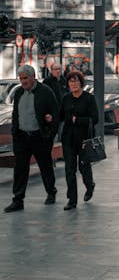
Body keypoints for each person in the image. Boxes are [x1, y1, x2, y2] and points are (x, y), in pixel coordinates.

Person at [4, 65, 59, 212]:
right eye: (21, 79)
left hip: (39, 137)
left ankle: (51, 192)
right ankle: (18, 199)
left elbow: (55, 115)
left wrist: (49, 136)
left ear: (33, 76)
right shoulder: (19, 93)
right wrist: (15, 134)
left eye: (25, 78)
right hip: (22, 137)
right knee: (20, 169)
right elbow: (16, 115)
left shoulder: (45, 92)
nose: (23, 82)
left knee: (45, 167)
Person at [60, 70, 99, 210]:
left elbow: (95, 118)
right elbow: (61, 116)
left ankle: (90, 185)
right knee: (69, 169)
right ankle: (72, 200)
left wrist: (79, 120)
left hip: (84, 140)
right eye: (71, 81)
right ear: (68, 84)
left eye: (76, 81)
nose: (74, 84)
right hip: (68, 139)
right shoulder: (65, 98)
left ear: (81, 83)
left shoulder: (89, 98)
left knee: (84, 168)